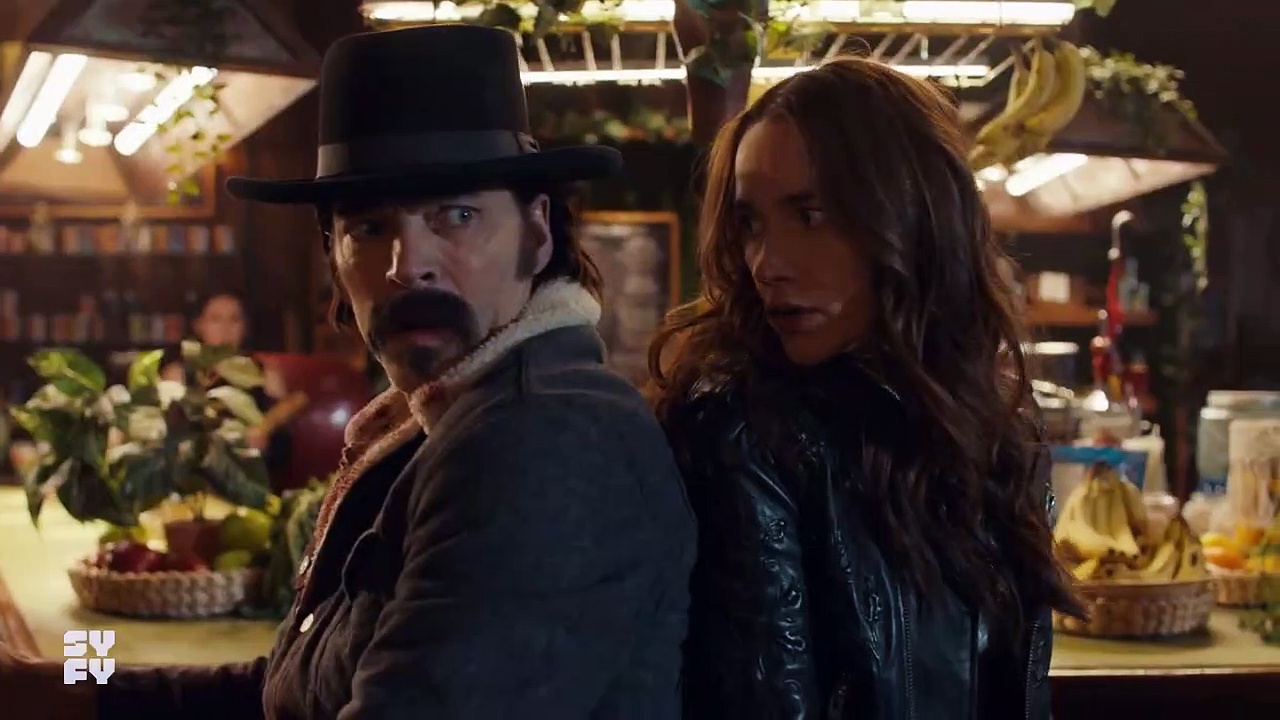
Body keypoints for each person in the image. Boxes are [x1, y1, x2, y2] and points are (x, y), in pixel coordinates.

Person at [0, 24, 695, 719]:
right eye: (369, 227)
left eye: (457, 215)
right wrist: (57, 684)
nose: (406, 266)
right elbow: (288, 690)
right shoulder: (440, 421)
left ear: (537, 233)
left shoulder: (541, 441)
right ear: (331, 254)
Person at [647, 57, 1084, 719]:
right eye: (751, 224)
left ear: (913, 217)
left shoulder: (999, 430)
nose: (768, 264)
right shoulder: (745, 433)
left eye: (811, 215)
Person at [161, 292, 292, 476]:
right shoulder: (178, 374)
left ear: (245, 327)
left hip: (254, 469)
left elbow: (286, 428)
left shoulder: (266, 372)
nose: (226, 328)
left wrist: (264, 433)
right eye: (216, 319)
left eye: (234, 320)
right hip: (196, 472)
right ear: (199, 326)